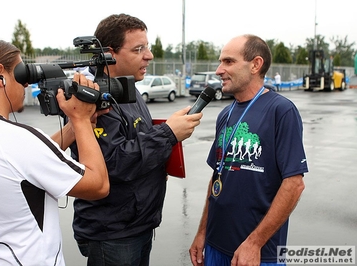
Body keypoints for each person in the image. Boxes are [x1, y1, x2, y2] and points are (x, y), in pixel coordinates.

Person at [0, 36, 110, 265]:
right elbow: (98, 185)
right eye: (21, 74)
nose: (27, 83)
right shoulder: (14, 140)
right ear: (0, 74)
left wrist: (74, 127)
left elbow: (23, 164)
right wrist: (80, 119)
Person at [70, 13, 203, 266]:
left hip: (137, 224)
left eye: (148, 47)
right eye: (139, 49)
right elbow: (111, 165)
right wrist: (168, 134)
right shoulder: (93, 97)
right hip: (113, 232)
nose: (149, 55)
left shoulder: (128, 89)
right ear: (110, 54)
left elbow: (137, 140)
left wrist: (162, 148)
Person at [189, 34, 308, 266]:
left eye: (229, 62)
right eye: (220, 61)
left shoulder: (281, 111)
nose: (218, 70)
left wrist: (254, 243)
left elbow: (294, 184)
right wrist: (202, 232)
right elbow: (217, 176)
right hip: (215, 245)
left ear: (255, 64)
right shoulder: (226, 113)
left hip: (258, 252)